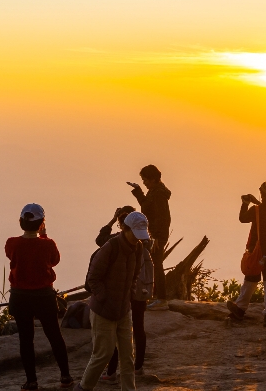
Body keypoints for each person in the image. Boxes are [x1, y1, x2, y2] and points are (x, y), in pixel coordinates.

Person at [73, 212, 148, 391]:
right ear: (125, 229)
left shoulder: (137, 249)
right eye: (135, 234)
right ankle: (83, 387)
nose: (138, 239)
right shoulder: (110, 247)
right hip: (103, 311)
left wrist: (129, 294)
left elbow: (135, 274)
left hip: (123, 310)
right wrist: (104, 298)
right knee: (102, 354)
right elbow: (93, 279)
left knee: (127, 356)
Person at [5, 203, 72, 390]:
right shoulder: (48, 244)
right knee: (55, 336)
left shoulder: (12, 243)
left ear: (20, 222)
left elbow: (11, 256)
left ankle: (32, 381)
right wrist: (43, 235)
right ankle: (65, 376)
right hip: (44, 296)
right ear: (42, 222)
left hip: (20, 297)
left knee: (26, 339)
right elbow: (54, 260)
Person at [96, 209, 154, 380]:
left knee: (117, 330)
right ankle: (138, 367)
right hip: (141, 289)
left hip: (126, 291)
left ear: (123, 225)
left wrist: (112, 219)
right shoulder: (146, 243)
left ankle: (111, 371)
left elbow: (99, 240)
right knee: (138, 327)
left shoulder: (116, 242)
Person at [227, 181, 266, 326]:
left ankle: (240, 309)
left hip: (257, 250)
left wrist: (245, 203)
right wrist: (257, 202)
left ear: (262, 193)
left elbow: (242, 218)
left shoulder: (256, 210)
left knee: (251, 279)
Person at [128, 165, 171, 302]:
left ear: (153, 179)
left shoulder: (158, 194)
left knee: (157, 265)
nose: (144, 182)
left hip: (158, 235)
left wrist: (156, 237)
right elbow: (146, 207)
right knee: (155, 264)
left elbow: (162, 217)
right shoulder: (154, 191)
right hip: (155, 233)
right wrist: (138, 191)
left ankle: (161, 299)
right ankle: (157, 297)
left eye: (145, 180)